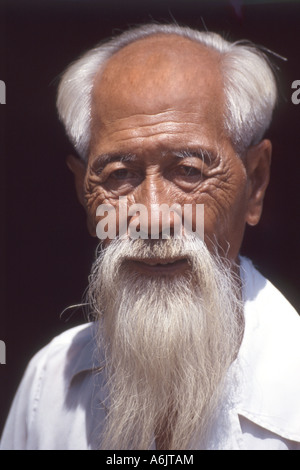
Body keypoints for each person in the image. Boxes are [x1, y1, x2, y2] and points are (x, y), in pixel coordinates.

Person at [1, 23, 300, 451]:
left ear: (255, 182)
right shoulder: (47, 388)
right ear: (84, 194)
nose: (153, 215)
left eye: (189, 171)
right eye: (120, 175)